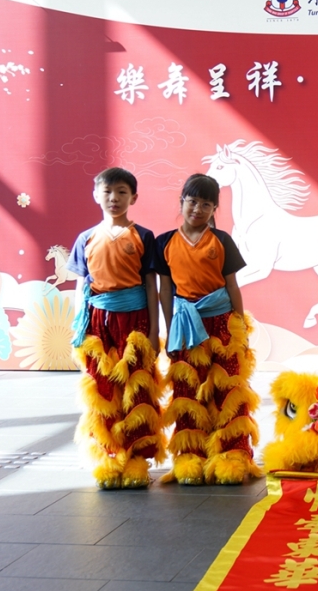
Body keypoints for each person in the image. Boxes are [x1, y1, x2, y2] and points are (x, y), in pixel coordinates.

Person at [156, 173, 261, 485]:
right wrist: (170, 327)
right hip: (185, 324)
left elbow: (232, 287)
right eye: (192, 201)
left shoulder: (222, 240)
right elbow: (165, 290)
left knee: (228, 388)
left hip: (221, 322)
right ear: (181, 202)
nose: (197, 209)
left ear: (215, 208)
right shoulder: (164, 242)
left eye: (206, 204)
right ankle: (191, 455)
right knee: (187, 389)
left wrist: (240, 326)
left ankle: (232, 454)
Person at [69, 167, 164, 489]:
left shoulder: (143, 236)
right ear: (96, 195)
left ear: (133, 198)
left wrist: (153, 331)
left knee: (137, 388)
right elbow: (81, 286)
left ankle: (137, 459)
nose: (114, 198)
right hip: (98, 323)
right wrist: (79, 331)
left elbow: (151, 285)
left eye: (122, 192)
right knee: (102, 390)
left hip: (135, 321)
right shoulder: (85, 238)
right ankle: (108, 456)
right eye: (107, 192)